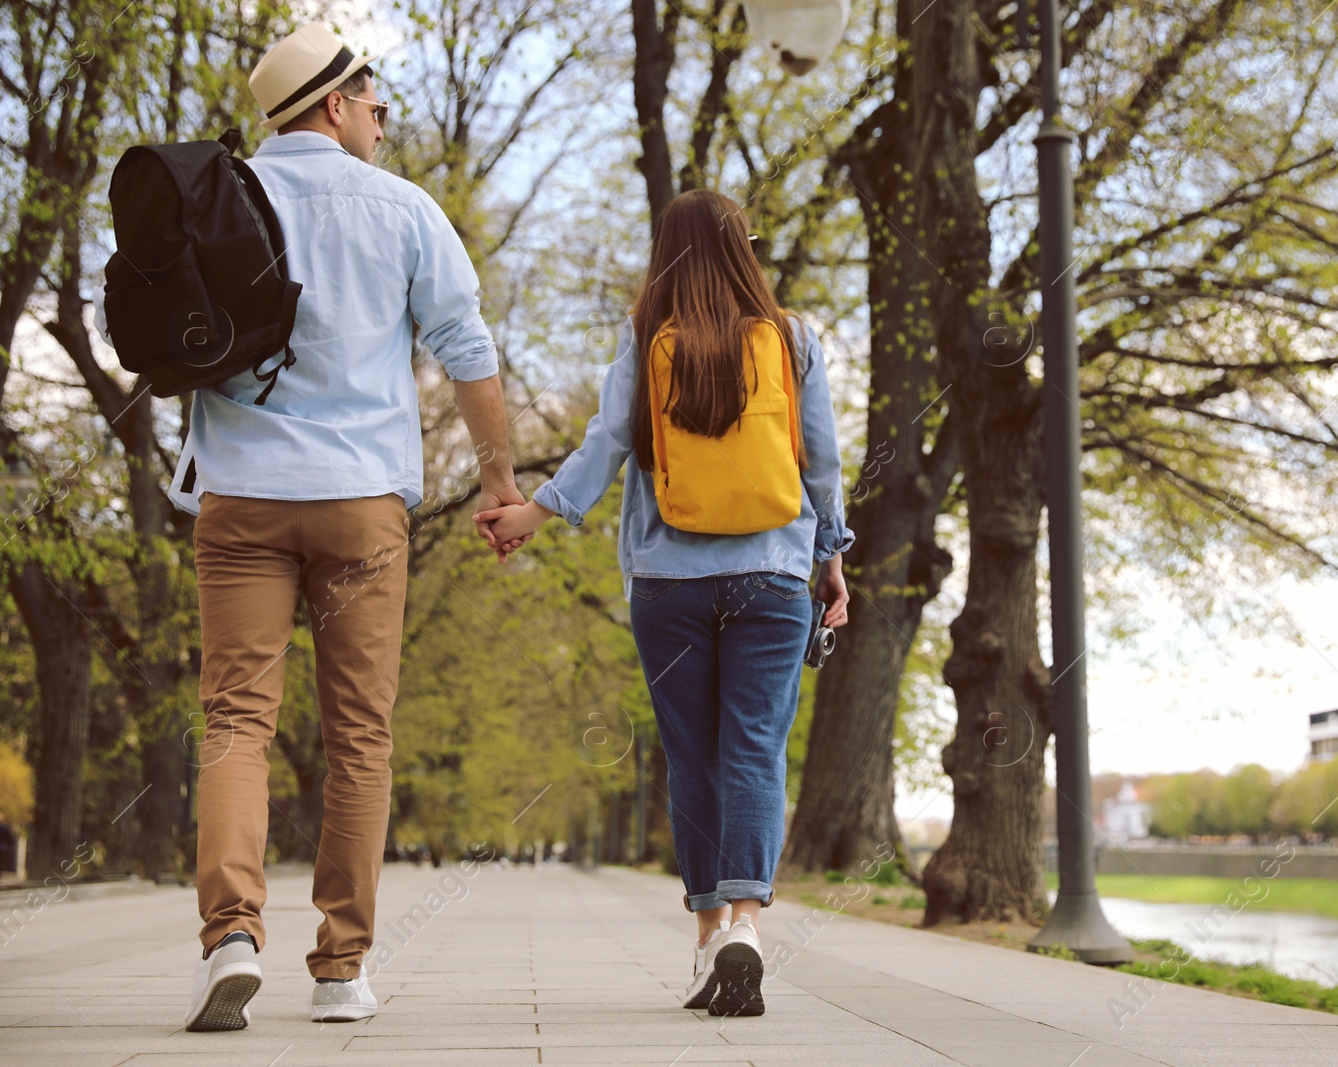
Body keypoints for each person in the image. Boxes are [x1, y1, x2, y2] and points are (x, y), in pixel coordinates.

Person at [121, 23, 523, 1032]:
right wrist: (498, 480)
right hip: (359, 507)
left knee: (235, 719)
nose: (384, 128)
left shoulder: (221, 198)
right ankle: (339, 968)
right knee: (359, 736)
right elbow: (468, 352)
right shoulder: (401, 211)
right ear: (338, 104)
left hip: (241, 497)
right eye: (379, 108)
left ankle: (231, 936)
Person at [475, 189, 853, 1018]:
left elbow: (607, 439)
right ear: (745, 251)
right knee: (754, 748)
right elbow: (820, 465)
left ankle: (709, 934)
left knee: (692, 756)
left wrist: (532, 515)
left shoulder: (651, 333)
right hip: (775, 578)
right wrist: (829, 559)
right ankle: (747, 923)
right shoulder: (793, 338)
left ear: (666, 256)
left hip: (669, 583)